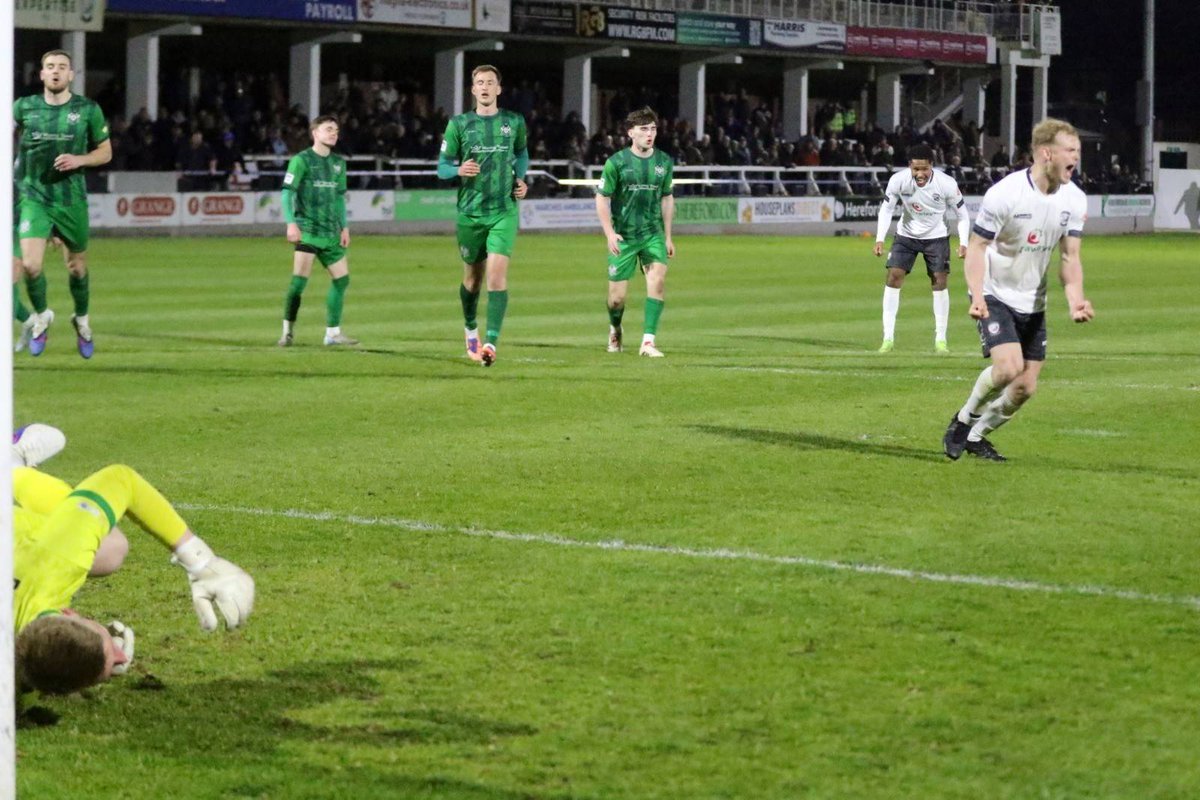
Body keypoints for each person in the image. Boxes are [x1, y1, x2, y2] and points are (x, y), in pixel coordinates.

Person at [12, 425, 255, 696]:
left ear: (69, 615)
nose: (121, 656)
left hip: (31, 548)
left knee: (111, 548)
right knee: (111, 548)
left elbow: (120, 479)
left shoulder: (60, 559)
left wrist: (200, 561)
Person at [942, 119, 1093, 462]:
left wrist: (1075, 301)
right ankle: (963, 421)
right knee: (1008, 368)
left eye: (1078, 151)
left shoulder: (1075, 199)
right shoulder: (1005, 194)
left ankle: (977, 437)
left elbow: (1070, 257)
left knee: (1024, 387)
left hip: (1033, 301)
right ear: (1045, 153)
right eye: (1070, 150)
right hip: (995, 293)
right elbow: (977, 248)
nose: (1076, 157)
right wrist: (977, 295)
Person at [14, 49, 112, 359]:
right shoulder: (23, 107)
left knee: (77, 266)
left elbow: (106, 152)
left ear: (71, 75)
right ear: (41, 74)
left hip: (71, 201)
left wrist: (80, 159)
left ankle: (81, 320)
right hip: (34, 196)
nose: (56, 71)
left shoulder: (87, 110)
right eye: (50, 66)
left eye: (62, 67)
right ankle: (41, 316)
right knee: (30, 265)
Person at [437, 64, 529, 367]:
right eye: (480, 82)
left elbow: (522, 153)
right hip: (470, 213)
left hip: (503, 211)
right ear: (473, 90)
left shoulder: (514, 122)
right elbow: (442, 168)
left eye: (491, 82)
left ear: (499, 89)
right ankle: (470, 329)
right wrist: (458, 169)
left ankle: (490, 343)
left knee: (497, 277)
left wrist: (520, 178)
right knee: (472, 281)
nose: (486, 87)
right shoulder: (459, 124)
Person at [873, 143, 970, 353]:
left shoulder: (946, 183)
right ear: (910, 166)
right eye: (916, 169)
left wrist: (964, 243)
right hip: (906, 235)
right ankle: (887, 338)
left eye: (924, 169)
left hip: (936, 238)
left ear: (931, 166)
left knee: (939, 281)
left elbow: (962, 214)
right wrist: (880, 238)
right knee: (893, 276)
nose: (920, 174)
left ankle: (941, 340)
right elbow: (886, 209)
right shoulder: (898, 180)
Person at [594, 107, 676, 357]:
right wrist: (609, 234)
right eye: (643, 129)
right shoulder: (616, 163)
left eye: (652, 129)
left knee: (657, 282)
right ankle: (615, 328)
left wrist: (668, 236)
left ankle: (648, 342)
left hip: (652, 234)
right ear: (631, 133)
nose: (649, 134)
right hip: (624, 237)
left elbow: (667, 197)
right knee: (616, 300)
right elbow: (601, 198)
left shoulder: (663, 161)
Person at [278, 115, 356, 347]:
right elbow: (287, 192)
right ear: (315, 133)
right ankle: (287, 331)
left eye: (336, 130)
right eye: (328, 129)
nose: (334, 133)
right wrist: (291, 223)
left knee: (342, 280)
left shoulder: (338, 163)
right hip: (308, 231)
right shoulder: (301, 160)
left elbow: (340, 198)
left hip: (331, 233)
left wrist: (344, 227)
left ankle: (332, 334)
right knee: (299, 283)